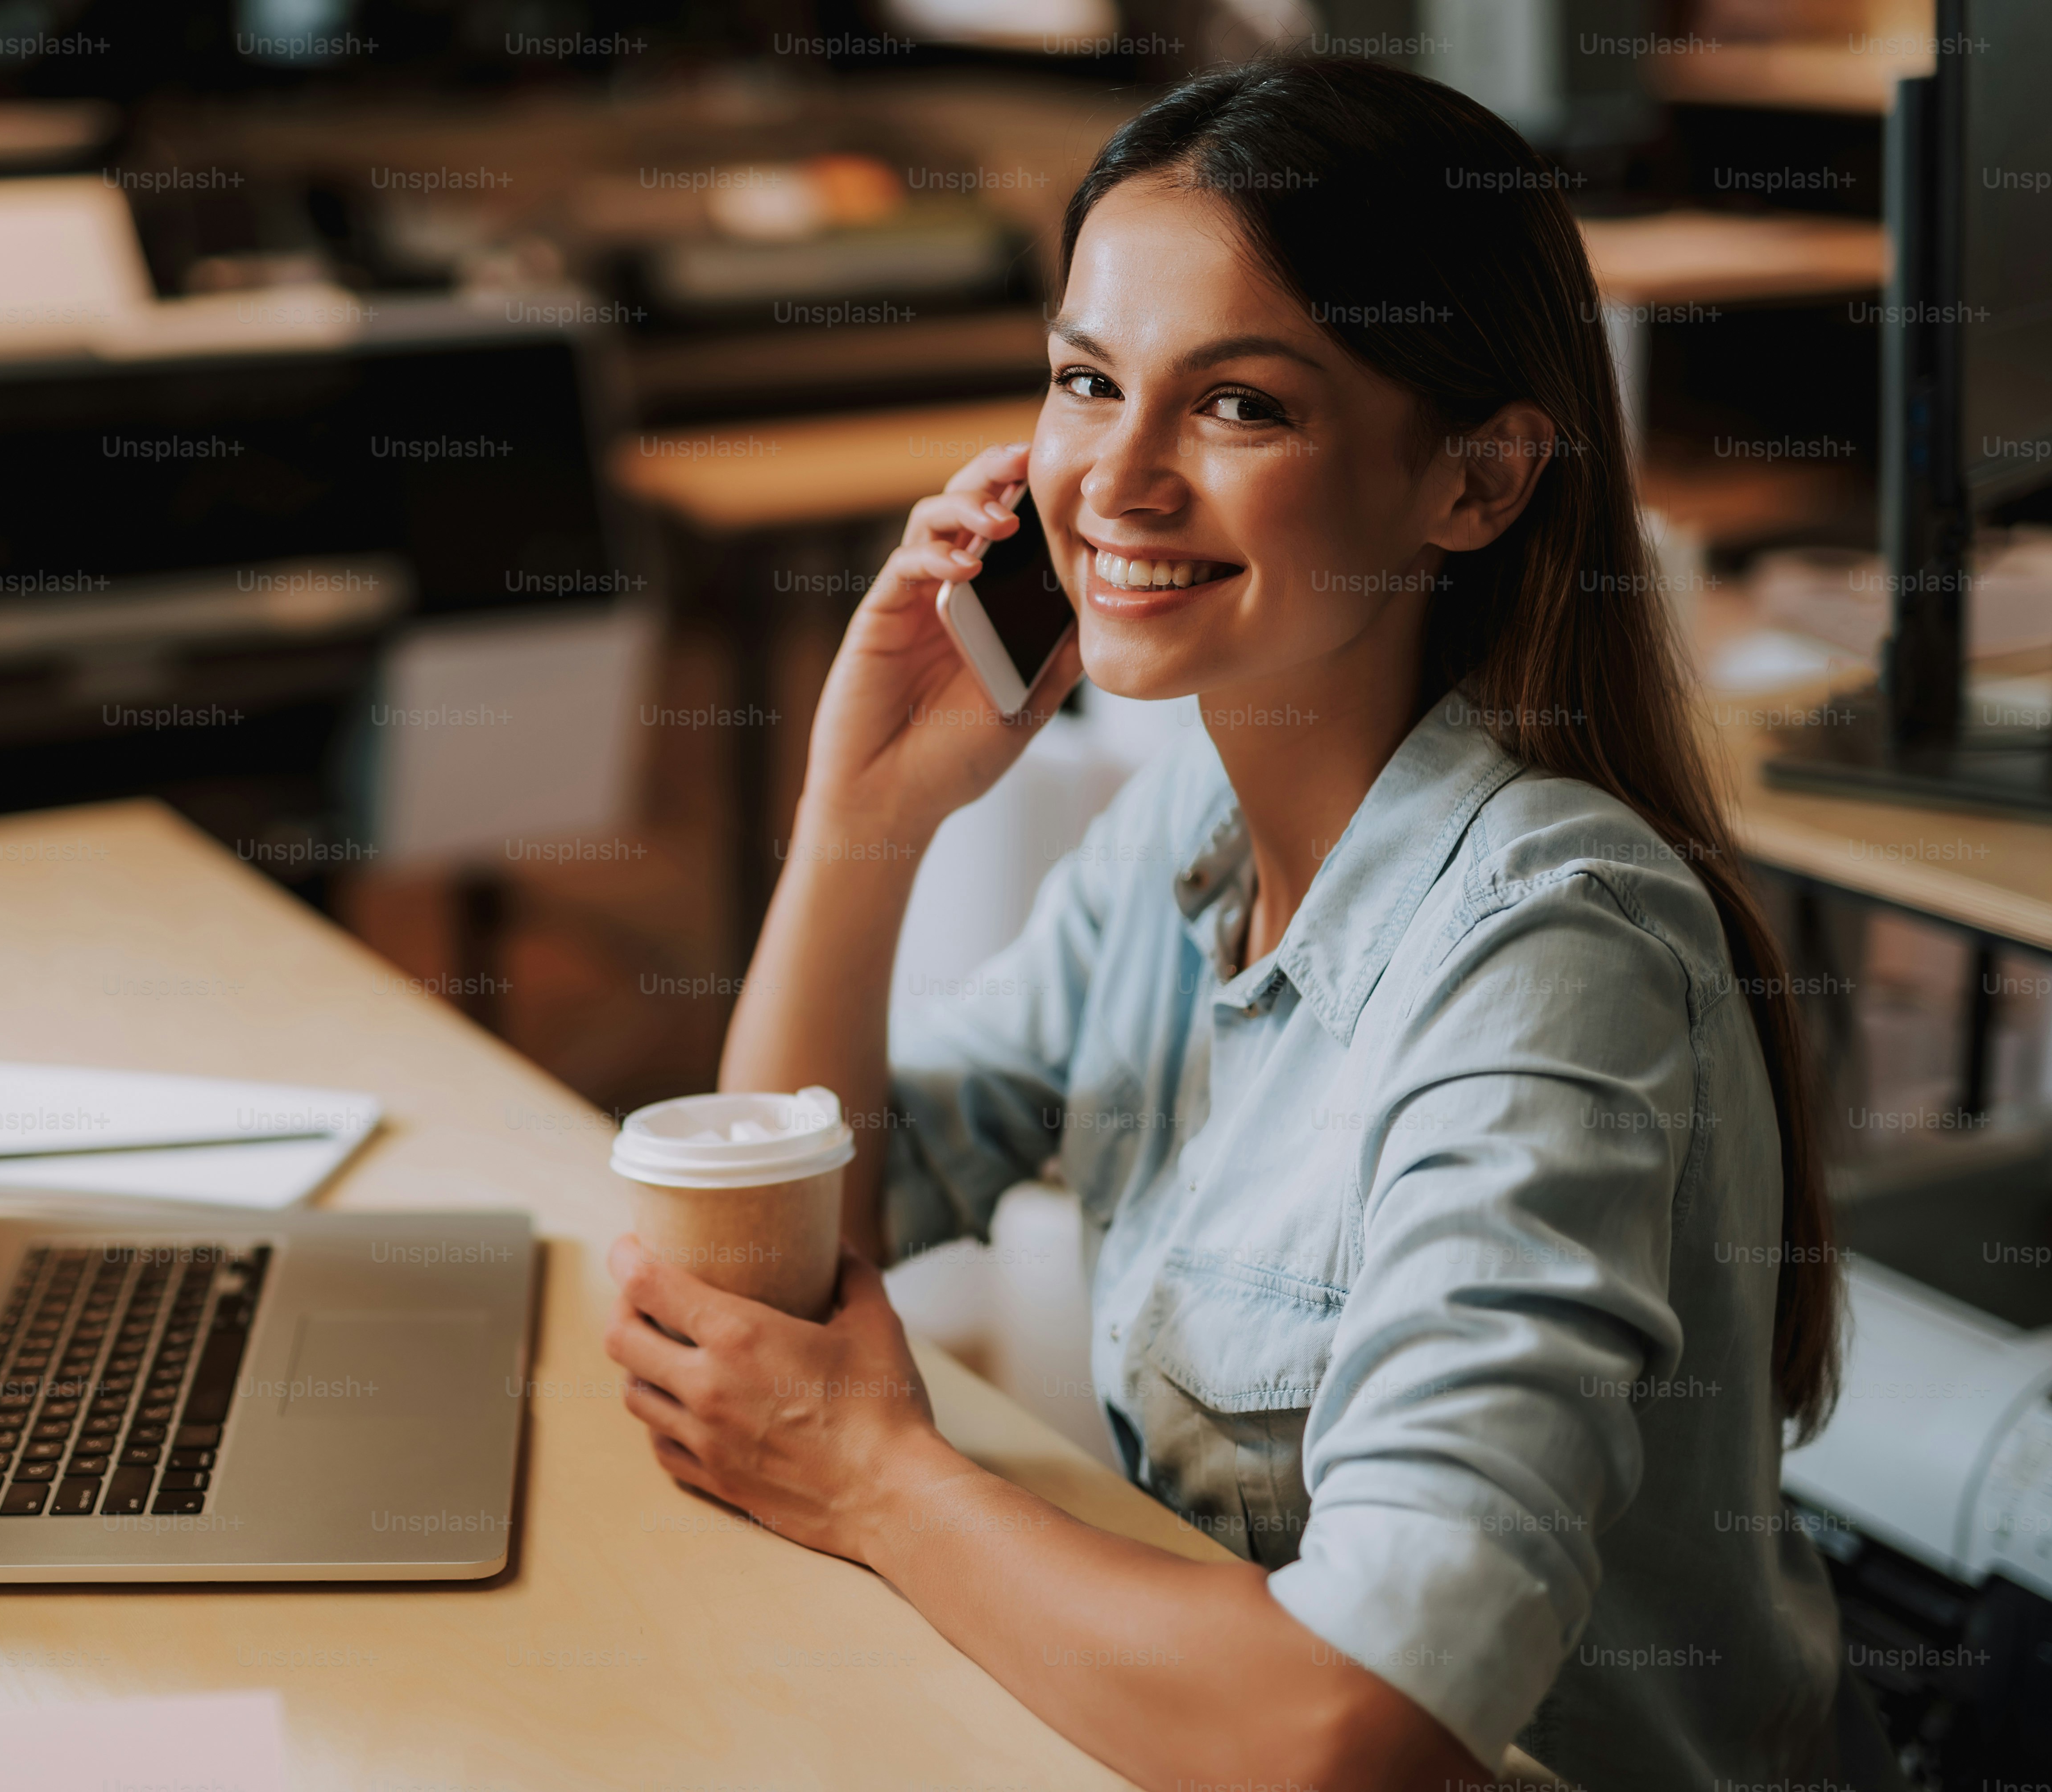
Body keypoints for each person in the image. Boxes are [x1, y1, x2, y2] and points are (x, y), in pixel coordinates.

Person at [599, 57, 1898, 1790]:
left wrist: (877, 1478)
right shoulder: (1184, 837)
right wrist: (863, 818)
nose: (1115, 482)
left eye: (1239, 406)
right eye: (1085, 381)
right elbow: (778, 1251)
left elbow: (1361, 1719)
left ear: (1477, 481)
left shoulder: (1550, 955)